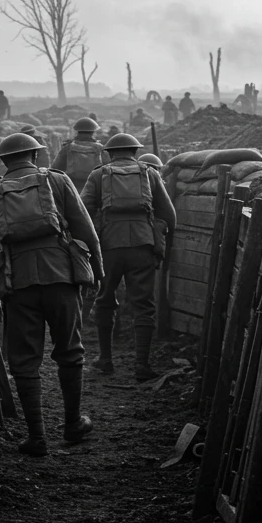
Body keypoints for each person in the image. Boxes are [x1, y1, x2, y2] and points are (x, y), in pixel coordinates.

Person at [0, 132, 104, 456]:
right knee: (71, 352)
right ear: (35, 156)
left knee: (24, 361)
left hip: (18, 286)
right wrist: (97, 273)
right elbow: (87, 232)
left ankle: (37, 437)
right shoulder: (58, 182)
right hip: (62, 278)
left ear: (2, 161)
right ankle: (73, 424)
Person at [81, 132, 177, 381]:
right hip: (142, 244)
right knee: (143, 304)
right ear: (135, 152)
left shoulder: (98, 175)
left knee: (104, 299)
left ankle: (105, 360)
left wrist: (91, 243)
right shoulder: (150, 173)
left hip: (109, 246)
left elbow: (82, 212)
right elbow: (169, 214)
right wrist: (165, 241)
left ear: (110, 153)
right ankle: (141, 366)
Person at [51, 116, 106, 319]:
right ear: (94, 132)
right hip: (95, 206)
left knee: (71, 248)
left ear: (76, 131)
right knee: (98, 246)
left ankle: (75, 291)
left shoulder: (67, 149)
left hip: (71, 203)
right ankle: (95, 291)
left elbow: (54, 171)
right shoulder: (102, 150)